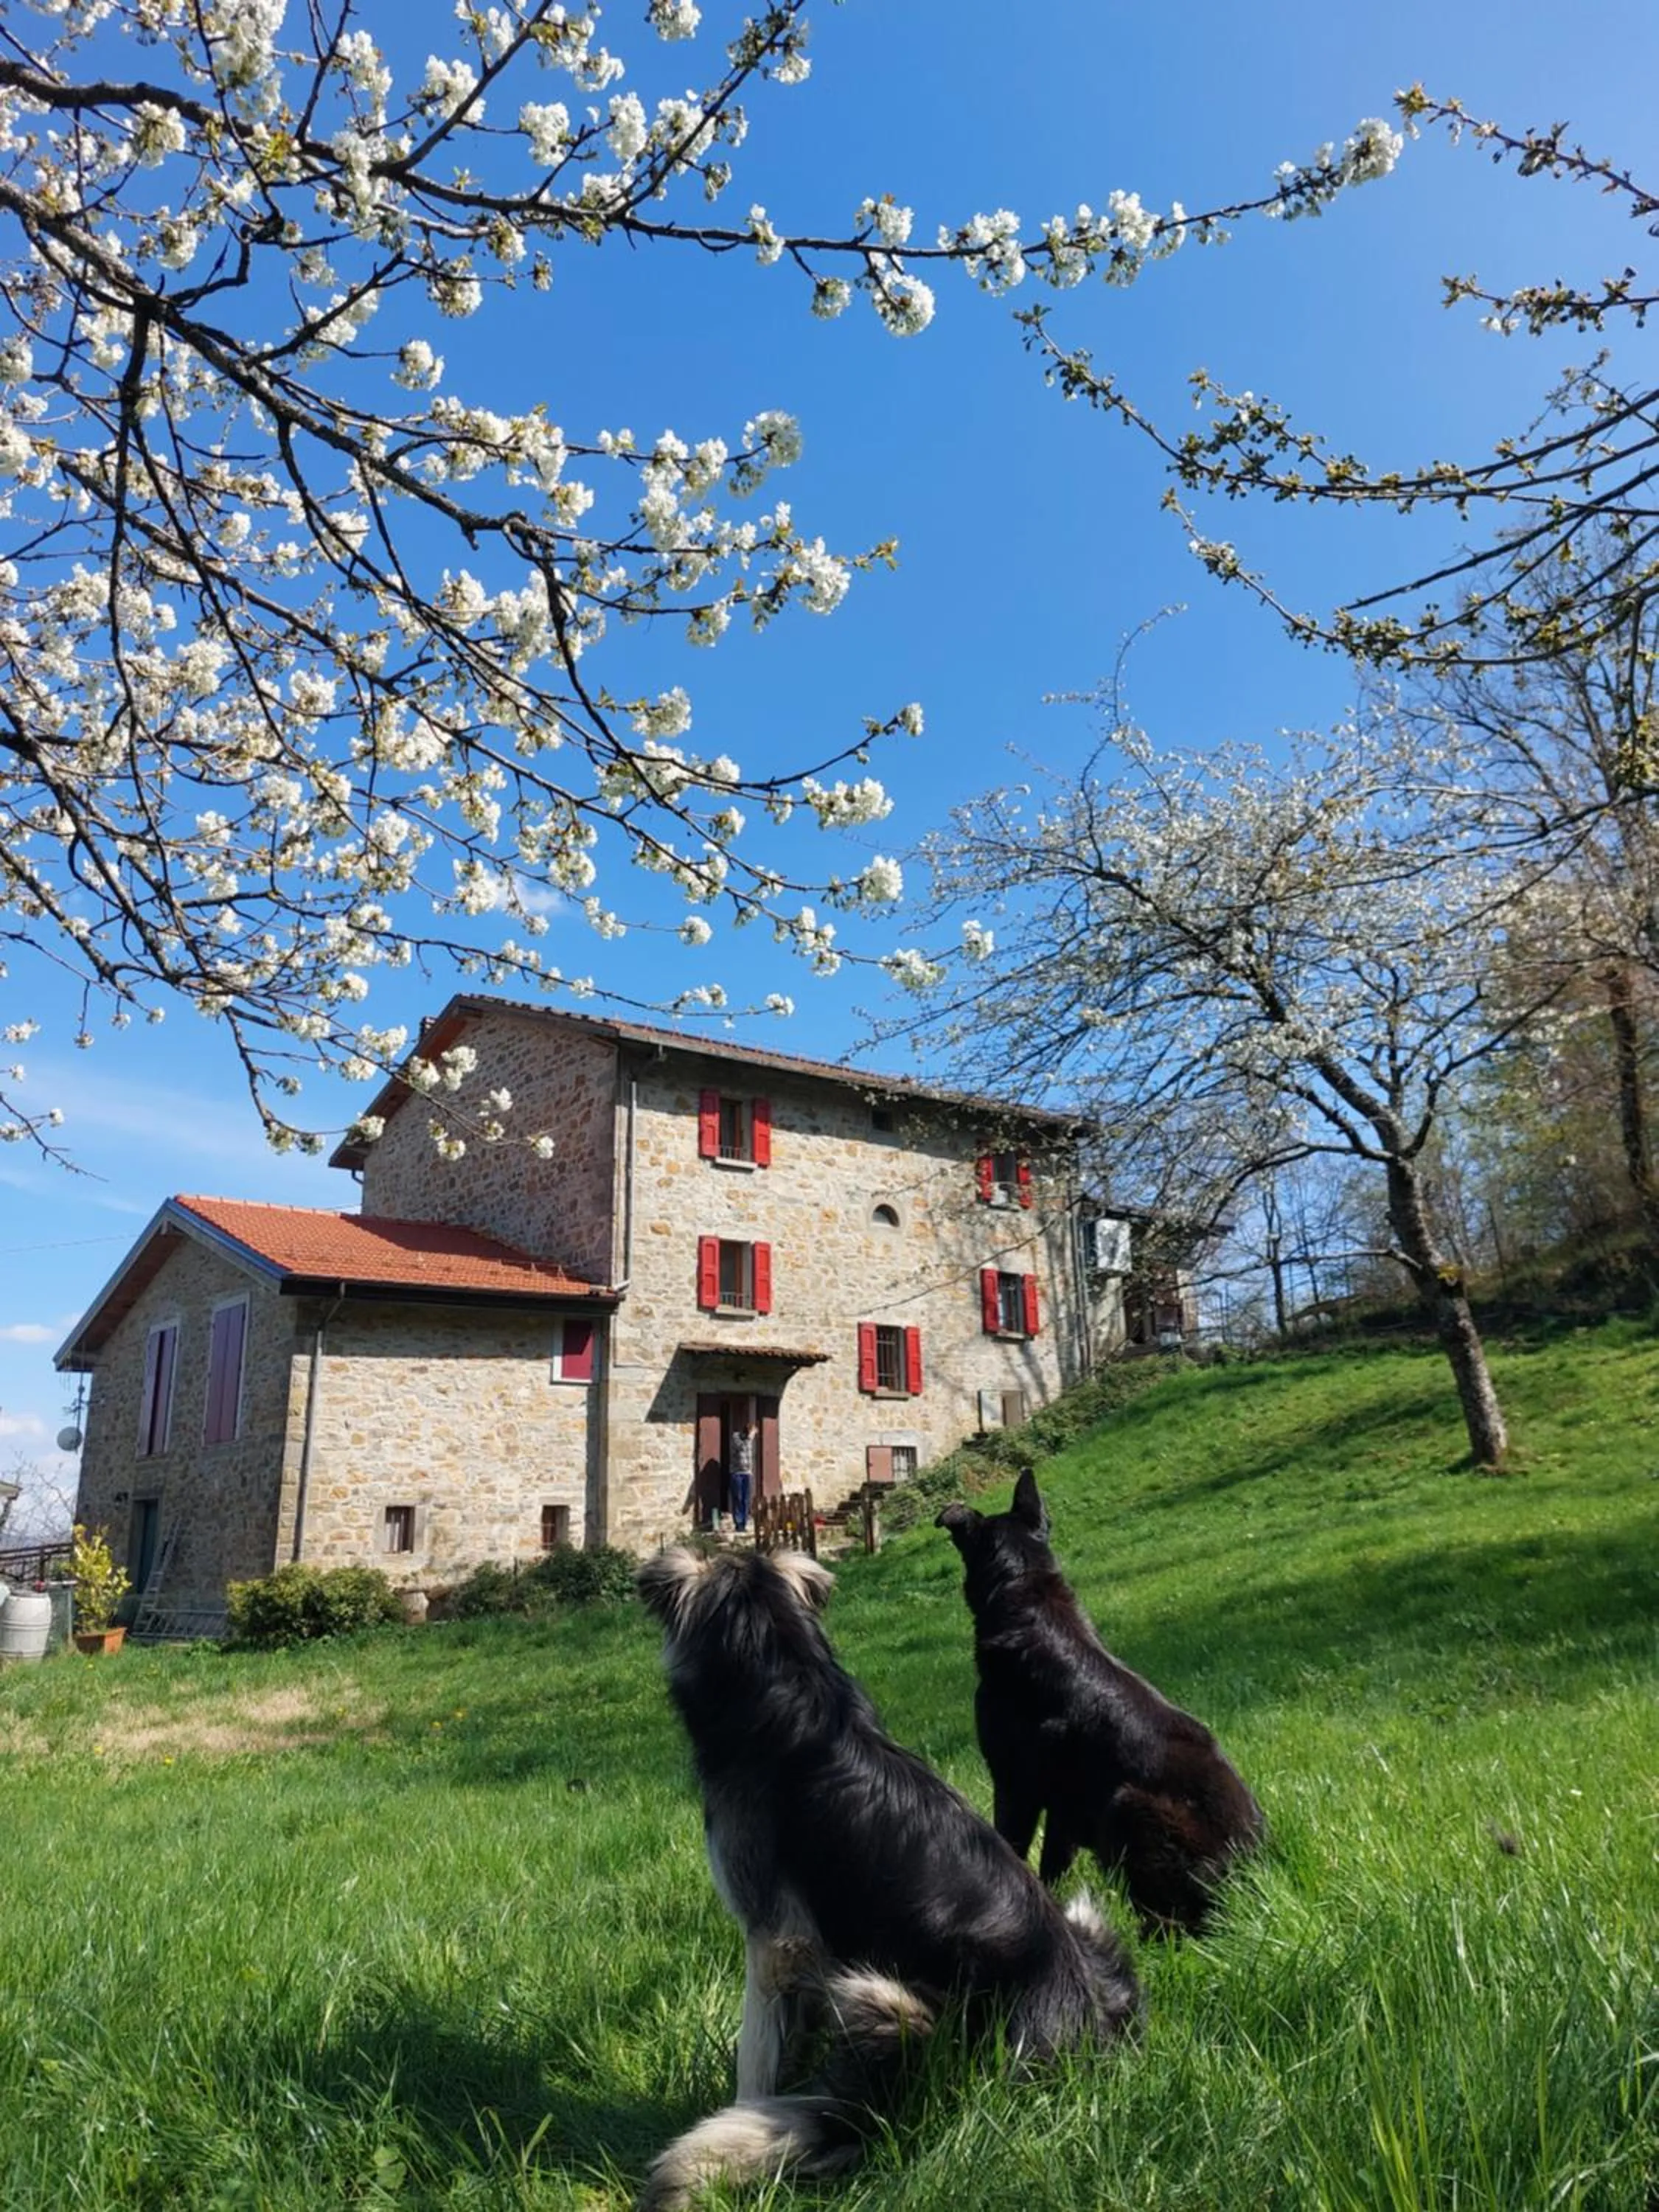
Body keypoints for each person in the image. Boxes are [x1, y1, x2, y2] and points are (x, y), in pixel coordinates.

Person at [727, 1419, 755, 1534]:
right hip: (737, 1473)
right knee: (738, 1498)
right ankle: (738, 1524)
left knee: (745, 1499)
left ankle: (744, 1523)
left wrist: (750, 1470)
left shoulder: (749, 1441)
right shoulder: (736, 1438)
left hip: (747, 1473)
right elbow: (741, 1448)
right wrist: (749, 1438)